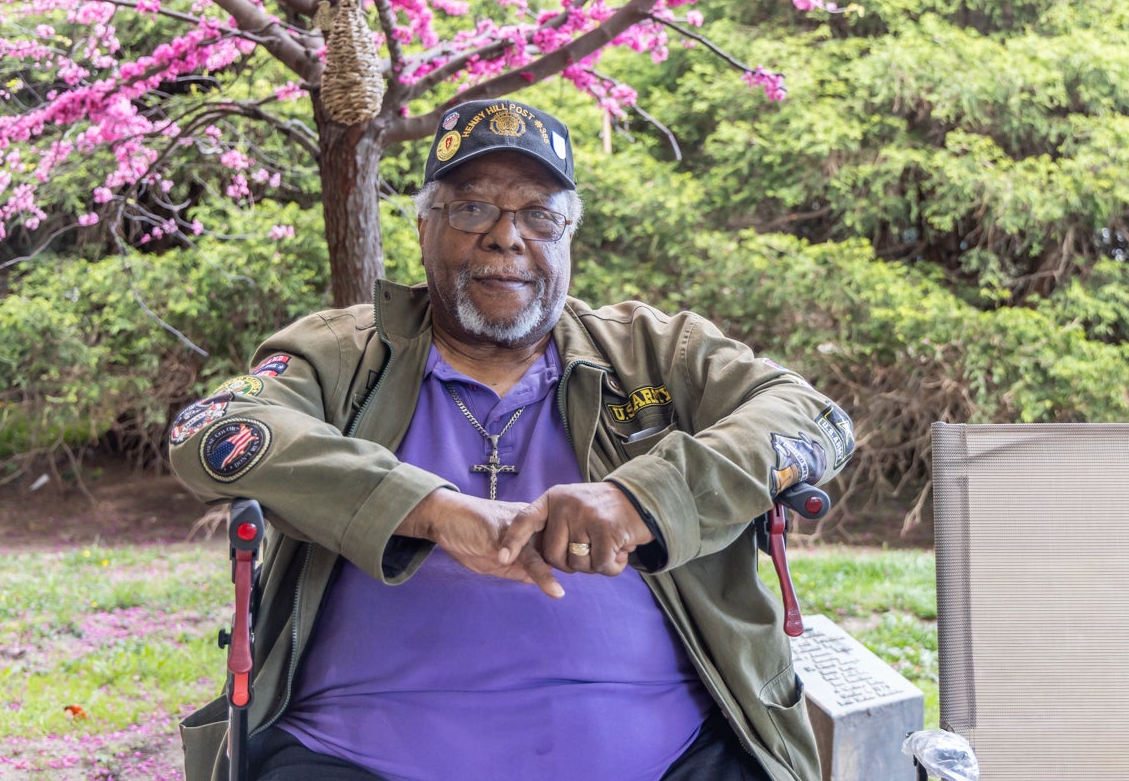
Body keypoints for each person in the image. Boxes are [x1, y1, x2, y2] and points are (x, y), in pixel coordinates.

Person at [169, 98, 855, 781]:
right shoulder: (342, 357)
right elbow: (214, 429)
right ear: (423, 225)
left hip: (679, 761)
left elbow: (813, 417)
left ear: (567, 236)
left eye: (538, 214)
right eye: (471, 209)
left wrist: (643, 498)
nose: (506, 237)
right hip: (346, 761)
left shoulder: (656, 353)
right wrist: (428, 510)